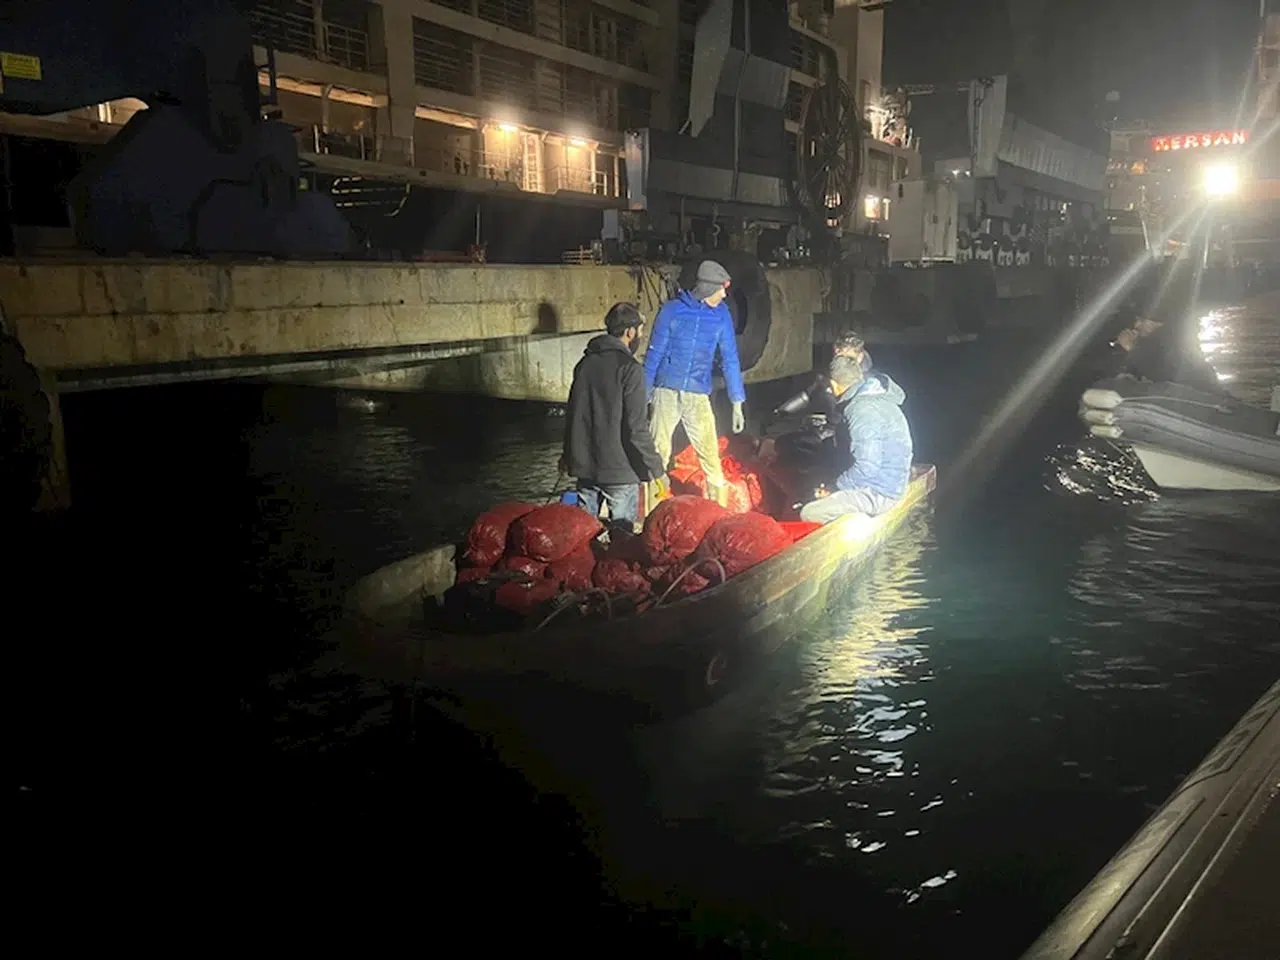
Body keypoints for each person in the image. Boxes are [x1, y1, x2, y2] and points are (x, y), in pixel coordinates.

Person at [645, 260, 746, 506]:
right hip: (665, 391)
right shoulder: (671, 311)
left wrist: (737, 401)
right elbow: (654, 354)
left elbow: (730, 358)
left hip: (697, 394)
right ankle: (651, 510)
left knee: (710, 454)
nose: (724, 295)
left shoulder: (722, 315)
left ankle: (719, 511)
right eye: (721, 289)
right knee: (657, 452)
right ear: (707, 288)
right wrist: (644, 393)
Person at [562, 302, 666, 527]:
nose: (640, 337)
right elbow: (636, 428)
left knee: (584, 534)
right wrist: (657, 469)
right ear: (630, 332)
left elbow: (573, 414)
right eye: (640, 331)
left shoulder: (584, 364)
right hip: (619, 471)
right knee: (622, 536)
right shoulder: (630, 369)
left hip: (585, 469)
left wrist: (567, 456)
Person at [799, 354, 913, 524]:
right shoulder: (876, 396)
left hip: (879, 492)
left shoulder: (861, 410)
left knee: (809, 513)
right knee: (816, 480)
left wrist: (834, 488)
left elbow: (867, 467)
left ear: (833, 384)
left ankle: (852, 524)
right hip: (890, 480)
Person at [1106, 314, 1224, 395]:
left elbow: (1165, 376)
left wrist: (1130, 346)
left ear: (1157, 323)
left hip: (1202, 400)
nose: (1136, 325)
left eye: (1142, 321)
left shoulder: (1173, 342)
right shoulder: (1150, 343)